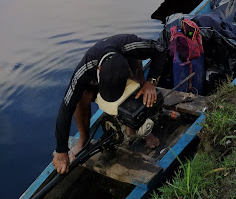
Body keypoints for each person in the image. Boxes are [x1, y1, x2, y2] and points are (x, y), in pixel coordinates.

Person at [52, 34, 166, 174]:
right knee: (81, 97)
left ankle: (146, 130)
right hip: (98, 79)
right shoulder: (84, 69)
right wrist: (61, 150)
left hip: (129, 70)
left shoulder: (131, 45)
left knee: (137, 73)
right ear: (99, 70)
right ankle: (83, 139)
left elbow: (160, 49)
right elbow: (66, 107)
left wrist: (151, 82)